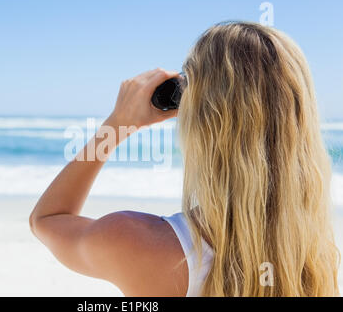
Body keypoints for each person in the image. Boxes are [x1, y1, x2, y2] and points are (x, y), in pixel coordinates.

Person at [29, 21, 340, 296]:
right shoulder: (315, 258)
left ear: (200, 120)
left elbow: (47, 220)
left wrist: (118, 123)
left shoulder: (140, 244)